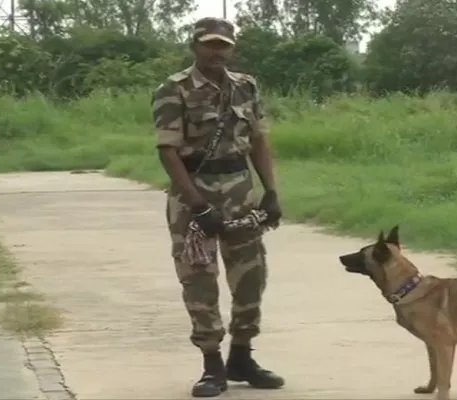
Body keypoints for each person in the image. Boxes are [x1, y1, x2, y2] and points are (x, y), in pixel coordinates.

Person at [150, 16, 285, 398]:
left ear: (232, 48)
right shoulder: (174, 89)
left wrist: (271, 191)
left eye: (223, 45)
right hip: (193, 195)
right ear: (195, 45)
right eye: (210, 44)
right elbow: (168, 152)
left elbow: (258, 140)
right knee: (199, 280)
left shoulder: (246, 87)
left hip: (241, 193)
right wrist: (197, 205)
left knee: (250, 277)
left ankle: (241, 356)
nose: (217, 51)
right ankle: (212, 365)